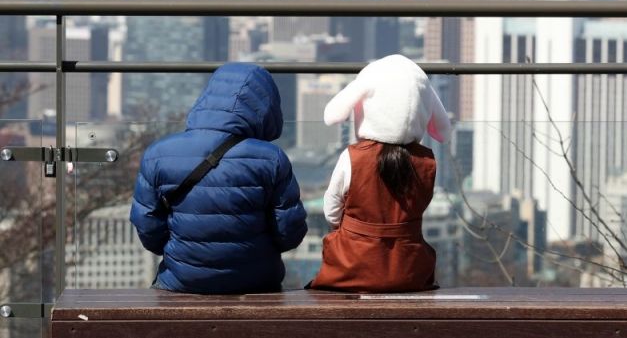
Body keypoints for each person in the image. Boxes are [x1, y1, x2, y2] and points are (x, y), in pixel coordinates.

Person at [130, 63, 307, 293]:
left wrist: (183, 249)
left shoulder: (158, 153)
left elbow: (147, 226)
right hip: (257, 283)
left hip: (181, 281)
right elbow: (290, 232)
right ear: (267, 107)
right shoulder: (272, 158)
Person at [310, 54, 452, 292]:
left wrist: (345, 228)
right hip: (409, 270)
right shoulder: (426, 162)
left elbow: (331, 209)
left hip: (351, 264)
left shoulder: (354, 157)